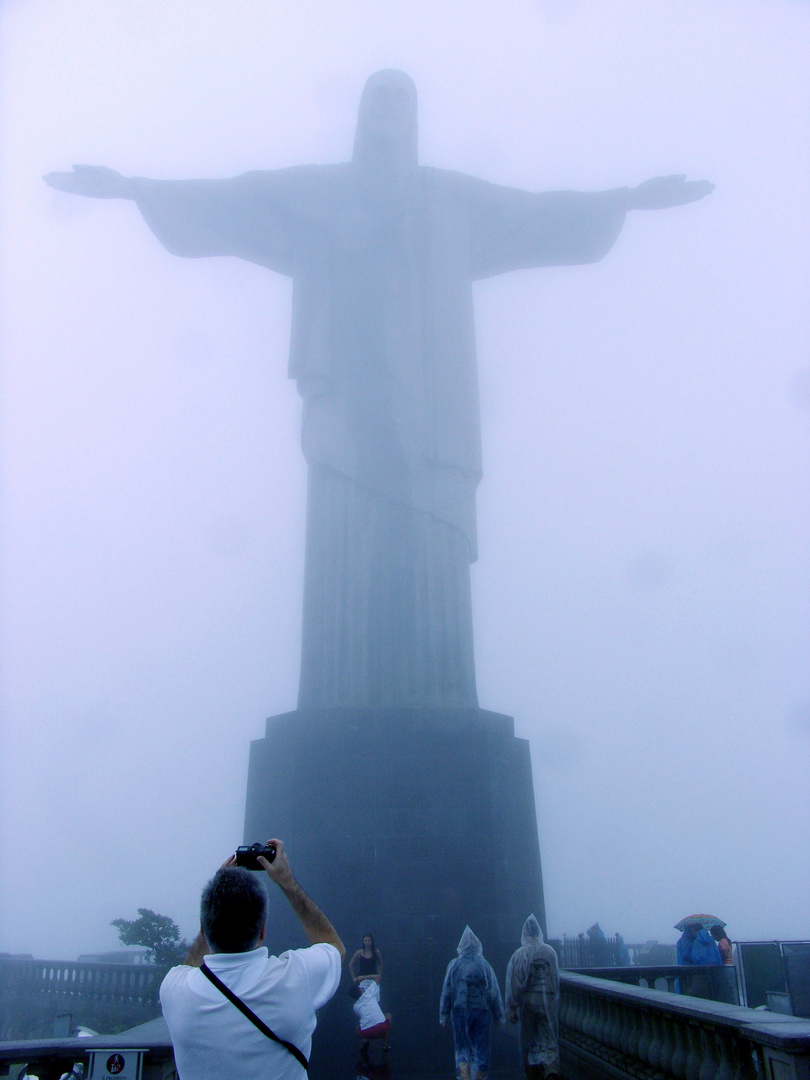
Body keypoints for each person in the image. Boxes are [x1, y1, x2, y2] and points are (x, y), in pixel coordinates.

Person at [44, 70, 713, 714]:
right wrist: (134, 188)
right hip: (351, 408)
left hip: (431, 412)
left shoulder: (452, 199)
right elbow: (239, 199)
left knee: (429, 543)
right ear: (362, 111)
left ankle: (436, 697)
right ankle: (344, 700)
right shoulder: (322, 192)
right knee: (348, 540)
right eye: (379, 95)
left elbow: (534, 215)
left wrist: (624, 199)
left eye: (401, 96)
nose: (389, 106)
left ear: (415, 114)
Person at [159, 838, 344, 1080]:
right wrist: (287, 883)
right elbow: (332, 946)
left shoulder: (175, 991)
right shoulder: (296, 978)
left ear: (205, 930)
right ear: (263, 930)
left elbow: (188, 968)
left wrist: (219, 894)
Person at [439, 925, 504, 1080]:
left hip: (460, 1010)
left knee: (461, 1047)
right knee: (481, 1048)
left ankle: (464, 1074)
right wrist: (498, 1016)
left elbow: (447, 991)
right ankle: (479, 1076)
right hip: (481, 1010)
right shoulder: (484, 965)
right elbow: (493, 992)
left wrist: (444, 1015)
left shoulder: (454, 965)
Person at [506, 915, 560, 1080]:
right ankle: (550, 1070)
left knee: (530, 1041)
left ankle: (533, 1073)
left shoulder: (519, 954)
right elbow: (555, 978)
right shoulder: (550, 951)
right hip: (548, 1001)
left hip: (528, 1002)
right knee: (548, 1037)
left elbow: (515, 982)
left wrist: (512, 1007)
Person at [348, 978, 391, 1058]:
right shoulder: (369, 993)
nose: (362, 988)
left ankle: (364, 1040)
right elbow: (378, 978)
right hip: (382, 1029)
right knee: (388, 1016)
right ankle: (385, 1043)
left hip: (366, 1033)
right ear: (360, 991)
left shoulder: (355, 1007)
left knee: (358, 1029)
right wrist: (362, 978)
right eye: (360, 988)